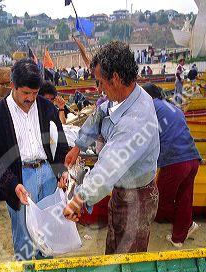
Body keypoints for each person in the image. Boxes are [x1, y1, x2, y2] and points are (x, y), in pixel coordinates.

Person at [64, 41, 160, 254]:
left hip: (138, 197)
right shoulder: (123, 96)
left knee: (128, 261)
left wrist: (78, 199)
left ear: (115, 78)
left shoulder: (135, 120)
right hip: (121, 190)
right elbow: (100, 113)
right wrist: (79, 146)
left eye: (100, 83)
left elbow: (107, 168)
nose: (99, 89)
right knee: (114, 246)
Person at [0, 58, 69, 260]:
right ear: (13, 86)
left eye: (35, 93)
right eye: (25, 93)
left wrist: (61, 170)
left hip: (48, 175)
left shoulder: (46, 108)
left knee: (47, 234)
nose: (30, 98)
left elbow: (59, 143)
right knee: (24, 237)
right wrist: (13, 185)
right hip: (21, 178)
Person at [143, 83, 201, 248]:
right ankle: (178, 237)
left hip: (175, 161)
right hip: (193, 158)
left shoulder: (151, 105)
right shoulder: (172, 106)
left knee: (159, 201)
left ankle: (186, 224)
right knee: (185, 198)